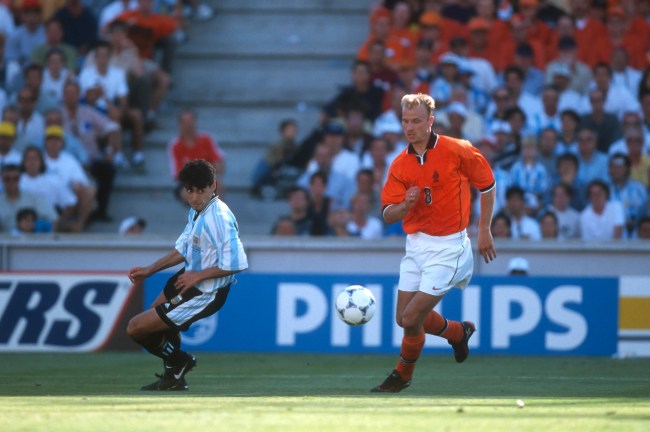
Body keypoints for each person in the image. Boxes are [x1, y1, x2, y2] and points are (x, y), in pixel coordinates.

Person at [371, 93, 496, 393]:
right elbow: (388, 214)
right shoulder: (400, 164)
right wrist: (405, 205)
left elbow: (488, 184)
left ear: (430, 121)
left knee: (412, 316)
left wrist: (484, 230)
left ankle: (402, 375)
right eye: (405, 120)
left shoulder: (457, 149)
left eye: (416, 121)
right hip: (415, 245)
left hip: (449, 246)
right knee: (405, 319)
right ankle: (457, 332)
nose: (409, 127)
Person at [126, 159, 248, 391]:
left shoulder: (218, 218)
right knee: (155, 324)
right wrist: (150, 269)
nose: (194, 197)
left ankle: (179, 361)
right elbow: (182, 249)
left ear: (213, 186)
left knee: (136, 328)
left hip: (206, 291)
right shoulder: (197, 211)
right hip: (190, 278)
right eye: (189, 190)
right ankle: (174, 378)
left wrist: (198, 276)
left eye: (200, 191)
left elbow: (237, 263)